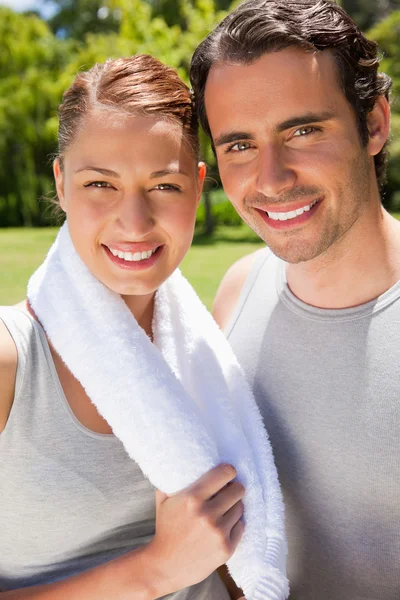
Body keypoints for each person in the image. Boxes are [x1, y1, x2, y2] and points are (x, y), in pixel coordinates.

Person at [0, 55, 247, 599]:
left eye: (163, 186)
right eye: (100, 184)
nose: (134, 222)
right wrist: (157, 569)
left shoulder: (202, 351)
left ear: (197, 187)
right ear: (61, 183)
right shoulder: (10, 363)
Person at [190, 0, 400, 598]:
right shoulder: (237, 290)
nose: (272, 177)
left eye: (303, 130)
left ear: (375, 123)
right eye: (239, 146)